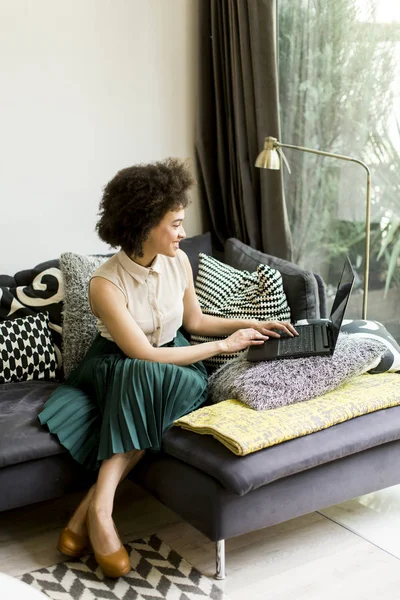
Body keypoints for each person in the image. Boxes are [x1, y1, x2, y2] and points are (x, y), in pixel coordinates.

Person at [38, 158, 297, 578]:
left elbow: (194, 322)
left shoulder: (179, 262)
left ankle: (89, 509)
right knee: (142, 376)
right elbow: (142, 354)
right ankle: (103, 514)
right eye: (175, 223)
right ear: (144, 225)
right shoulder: (105, 283)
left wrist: (249, 324)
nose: (182, 232)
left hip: (169, 360)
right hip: (116, 363)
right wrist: (223, 346)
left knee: (168, 385)